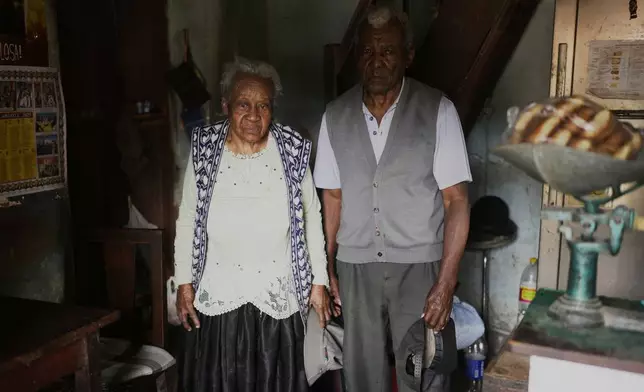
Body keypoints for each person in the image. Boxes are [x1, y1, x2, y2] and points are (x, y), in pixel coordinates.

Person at [313, 5, 472, 392]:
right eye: (368, 51)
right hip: (355, 268)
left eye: (388, 51)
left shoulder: (438, 110)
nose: (377, 61)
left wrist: (446, 282)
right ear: (356, 57)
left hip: (420, 267)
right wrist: (327, 267)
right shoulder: (335, 115)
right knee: (361, 374)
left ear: (408, 56)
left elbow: (457, 202)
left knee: (425, 370)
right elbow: (331, 198)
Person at [174, 57, 331, 392]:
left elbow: (311, 215)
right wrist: (184, 282)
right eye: (244, 104)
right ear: (226, 105)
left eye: (264, 106)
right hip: (219, 295)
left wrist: (319, 282)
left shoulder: (292, 149)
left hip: (277, 299)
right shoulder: (204, 148)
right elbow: (187, 216)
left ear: (273, 110)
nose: (254, 116)